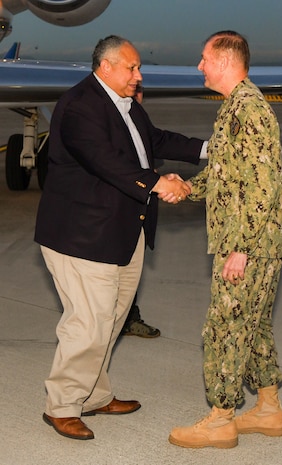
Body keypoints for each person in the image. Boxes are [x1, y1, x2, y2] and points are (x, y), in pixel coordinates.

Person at [35, 35, 206, 440]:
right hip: (82, 236)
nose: (138, 75)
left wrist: (208, 149)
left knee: (110, 321)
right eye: (131, 68)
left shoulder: (124, 105)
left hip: (122, 232)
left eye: (138, 67)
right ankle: (61, 405)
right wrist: (157, 183)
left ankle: (92, 395)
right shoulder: (79, 106)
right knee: (88, 324)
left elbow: (156, 140)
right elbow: (104, 161)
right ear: (106, 66)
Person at [168, 31, 282, 449]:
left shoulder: (248, 109)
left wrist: (241, 248)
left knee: (224, 327)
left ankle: (221, 419)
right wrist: (186, 187)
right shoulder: (235, 107)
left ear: (224, 60)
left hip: (250, 242)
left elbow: (264, 187)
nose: (199, 66)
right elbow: (230, 177)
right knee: (253, 326)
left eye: (204, 58)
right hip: (254, 239)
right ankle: (269, 408)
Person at [121, 81, 161, 338]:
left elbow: (160, 141)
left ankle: (127, 318)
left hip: (135, 216)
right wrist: (156, 182)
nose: (137, 96)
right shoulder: (109, 121)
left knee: (127, 275)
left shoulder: (137, 121)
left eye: (140, 90)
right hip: (113, 217)